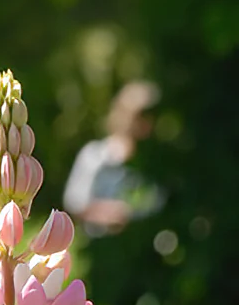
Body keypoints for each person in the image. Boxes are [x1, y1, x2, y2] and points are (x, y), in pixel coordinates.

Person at [63, 80, 164, 238]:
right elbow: (75, 203)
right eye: (141, 116)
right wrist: (110, 212)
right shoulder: (95, 154)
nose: (148, 123)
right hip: (103, 247)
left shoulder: (157, 158)